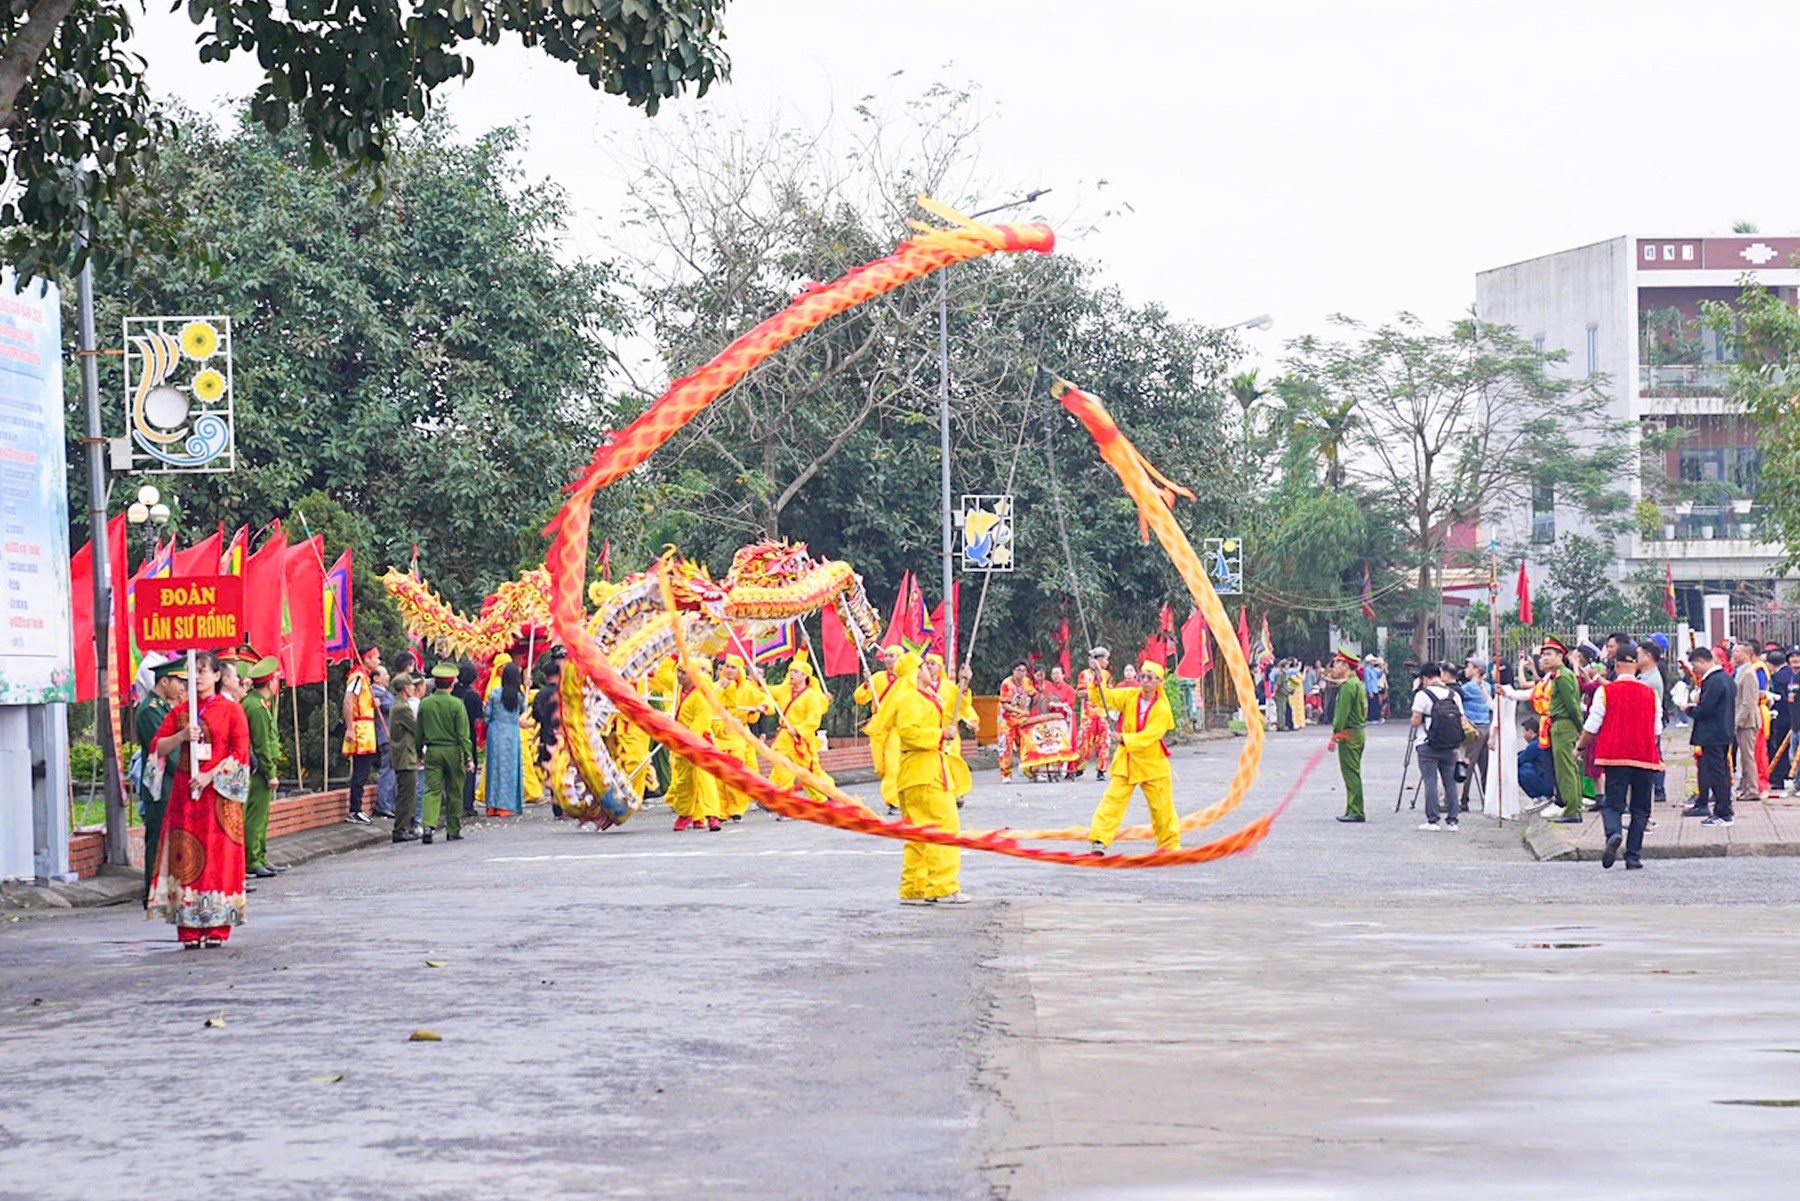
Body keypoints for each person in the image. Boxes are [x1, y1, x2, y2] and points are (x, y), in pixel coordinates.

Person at [148, 651, 252, 948]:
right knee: (186, 861)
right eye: (192, 671)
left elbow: (240, 753)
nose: (197, 676)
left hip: (218, 798)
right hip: (185, 798)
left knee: (219, 859)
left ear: (217, 676)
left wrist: (210, 776)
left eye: (203, 670)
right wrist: (181, 736)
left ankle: (218, 925)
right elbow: (157, 748)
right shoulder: (180, 712)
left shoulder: (232, 711)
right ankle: (189, 927)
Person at [890, 652, 970, 905]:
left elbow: (947, 717)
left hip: (918, 772)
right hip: (924, 771)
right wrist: (940, 734)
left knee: (918, 833)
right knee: (943, 827)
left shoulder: (923, 698)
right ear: (916, 672)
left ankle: (914, 888)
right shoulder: (911, 699)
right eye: (924, 666)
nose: (929, 669)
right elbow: (911, 733)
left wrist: (964, 685)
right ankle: (943, 887)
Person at [1579, 638, 1660, 870]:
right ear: (1636, 664)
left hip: (1615, 756)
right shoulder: (1650, 694)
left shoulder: (1606, 692)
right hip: (1645, 756)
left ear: (1614, 663)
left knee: (1613, 804)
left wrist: (1580, 748)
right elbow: (1656, 731)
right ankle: (1633, 856)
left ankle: (1613, 833)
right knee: (1641, 808)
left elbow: (1592, 726)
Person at [1086, 661, 1180, 854]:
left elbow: (1149, 736)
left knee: (1162, 807)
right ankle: (1099, 839)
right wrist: (1097, 676)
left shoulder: (1162, 709)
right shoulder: (1130, 696)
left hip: (1152, 762)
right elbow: (1104, 697)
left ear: (1159, 682)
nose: (1145, 681)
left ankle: (1168, 844)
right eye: (1142, 677)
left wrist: (1123, 737)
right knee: (1113, 799)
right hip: (1127, 760)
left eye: (1150, 678)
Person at [134, 657, 186, 905]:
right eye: (178, 681)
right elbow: (164, 749)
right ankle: (152, 893)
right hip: (159, 785)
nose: (181, 687)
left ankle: (167, 890)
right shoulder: (150, 711)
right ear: (164, 681)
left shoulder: (164, 707)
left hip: (170, 784)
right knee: (157, 840)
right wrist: (187, 772)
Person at [667, 656, 724, 832]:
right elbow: (662, 674)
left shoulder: (702, 696)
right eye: (678, 671)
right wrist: (672, 655)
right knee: (684, 782)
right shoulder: (677, 690)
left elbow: (700, 722)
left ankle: (712, 816)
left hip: (698, 743)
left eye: (683, 672)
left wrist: (688, 739)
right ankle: (686, 814)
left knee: (705, 779)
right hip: (681, 743)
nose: (679, 676)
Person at [419, 662, 473, 843]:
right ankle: (453, 829)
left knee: (432, 790)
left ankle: (428, 825)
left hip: (433, 751)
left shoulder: (425, 704)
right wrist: (469, 757)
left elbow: (419, 731)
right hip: (453, 751)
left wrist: (418, 752)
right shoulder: (457, 704)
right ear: (452, 683)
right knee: (455, 791)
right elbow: (463, 735)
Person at [769, 650, 833, 800]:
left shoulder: (811, 696)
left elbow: (813, 720)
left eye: (795, 672)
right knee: (782, 770)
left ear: (805, 676)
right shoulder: (784, 690)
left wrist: (798, 730)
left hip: (802, 739)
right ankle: (784, 803)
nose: (791, 674)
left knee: (808, 772)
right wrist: (758, 681)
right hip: (785, 738)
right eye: (791, 671)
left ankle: (826, 793)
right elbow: (768, 690)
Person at [241, 656, 283, 879]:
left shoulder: (258, 703)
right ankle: (253, 859)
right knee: (256, 816)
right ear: (270, 684)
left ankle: (261, 856)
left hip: (261, 767)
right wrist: (270, 772)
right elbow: (261, 743)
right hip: (259, 770)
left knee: (263, 816)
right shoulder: (256, 706)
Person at [1410, 662, 1465, 831]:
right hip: (1449, 745)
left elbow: (1416, 720)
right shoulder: (1453, 694)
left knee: (1430, 780)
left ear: (1425, 678)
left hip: (1427, 744)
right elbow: (1461, 719)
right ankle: (1453, 821)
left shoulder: (1422, 695)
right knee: (1450, 781)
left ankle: (1433, 820)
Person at [715, 653, 771, 821]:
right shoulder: (716, 686)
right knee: (719, 774)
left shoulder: (747, 688)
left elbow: (766, 701)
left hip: (738, 734)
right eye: (728, 667)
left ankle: (737, 807)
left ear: (740, 670)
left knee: (735, 770)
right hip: (718, 732)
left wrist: (760, 707)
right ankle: (721, 810)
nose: (730, 670)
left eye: (733, 667)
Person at [1683, 646, 1734, 824]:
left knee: (1717, 774)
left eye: (1694, 665)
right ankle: (1724, 808)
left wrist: (1689, 708)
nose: (1694, 669)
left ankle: (1723, 812)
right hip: (1723, 732)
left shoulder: (1713, 681)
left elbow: (1706, 709)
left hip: (1713, 734)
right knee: (1722, 773)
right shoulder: (1725, 678)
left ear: (1702, 661)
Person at [1538, 637, 1585, 824]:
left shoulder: (1562, 676)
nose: (1545, 658)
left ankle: (1572, 809)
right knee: (1568, 768)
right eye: (1543, 655)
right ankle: (1573, 805)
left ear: (1560, 656)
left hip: (1563, 725)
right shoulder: (1559, 675)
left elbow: (1572, 705)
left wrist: (1581, 728)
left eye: (1549, 654)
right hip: (1561, 725)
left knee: (1565, 769)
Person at [854, 645, 904, 813]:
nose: (888, 659)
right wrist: (867, 683)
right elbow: (860, 698)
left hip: (897, 725)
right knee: (880, 767)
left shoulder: (907, 680)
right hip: (878, 724)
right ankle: (898, 792)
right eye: (887, 656)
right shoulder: (877, 677)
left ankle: (893, 802)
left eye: (892, 656)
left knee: (892, 765)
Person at [341, 644, 382, 823]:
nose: (378, 661)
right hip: (361, 729)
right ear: (366, 659)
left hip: (367, 727)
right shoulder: (357, 677)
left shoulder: (364, 677)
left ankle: (357, 808)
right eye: (376, 657)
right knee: (360, 770)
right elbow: (348, 702)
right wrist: (350, 728)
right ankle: (355, 809)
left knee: (363, 770)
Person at [1327, 649, 1367, 823]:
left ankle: (1356, 810)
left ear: (1345, 665)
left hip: (1349, 733)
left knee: (1351, 773)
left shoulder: (1348, 686)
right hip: (1357, 732)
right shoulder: (1356, 683)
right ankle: (1352, 808)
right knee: (1353, 772)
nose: (1335, 667)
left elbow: (1341, 715)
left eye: (1337, 663)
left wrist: (1335, 734)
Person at [483, 663, 526, 817]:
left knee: (494, 768)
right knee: (510, 768)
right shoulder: (518, 696)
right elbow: (523, 710)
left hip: (495, 732)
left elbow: (487, 715)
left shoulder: (494, 694)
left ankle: (492, 805)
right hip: (512, 733)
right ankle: (506, 806)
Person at [388, 673, 422, 843]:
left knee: (408, 792)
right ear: (404, 688)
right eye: (410, 686)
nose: (413, 688)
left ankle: (405, 827)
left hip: (404, 754)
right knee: (407, 794)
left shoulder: (400, 705)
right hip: (405, 755)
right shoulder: (402, 708)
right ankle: (401, 828)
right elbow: (417, 728)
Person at [531, 652, 566, 817]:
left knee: (552, 772)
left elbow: (536, 715)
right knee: (567, 771)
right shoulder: (566, 693)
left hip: (547, 738)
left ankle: (557, 806)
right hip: (565, 737)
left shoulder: (540, 694)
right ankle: (568, 805)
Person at [1636, 640, 1671, 803]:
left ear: (1648, 657)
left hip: (1647, 724)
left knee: (1654, 756)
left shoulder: (1651, 679)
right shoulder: (1646, 675)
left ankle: (1658, 789)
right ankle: (1657, 789)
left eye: (1639, 655)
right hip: (1647, 723)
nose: (1636, 658)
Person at [1074, 648, 1114, 781]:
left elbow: (1110, 691)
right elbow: (1080, 693)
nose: (1107, 662)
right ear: (1098, 660)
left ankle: (1101, 770)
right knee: (1085, 743)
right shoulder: (1084, 674)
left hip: (1103, 713)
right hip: (1088, 714)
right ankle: (1079, 767)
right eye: (1105, 659)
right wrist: (1094, 693)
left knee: (1104, 743)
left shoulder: (1106, 674)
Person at [1732, 642, 1764, 806]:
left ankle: (1752, 789)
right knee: (1743, 757)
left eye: (1737, 651)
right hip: (1743, 720)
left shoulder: (1749, 674)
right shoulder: (1740, 672)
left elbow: (1748, 703)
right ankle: (1745, 788)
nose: (1734, 654)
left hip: (1748, 721)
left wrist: (1736, 722)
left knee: (1747, 756)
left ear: (1747, 654)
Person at [1459, 659, 1493, 810]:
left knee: (1467, 765)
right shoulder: (1488, 686)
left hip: (1474, 729)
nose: (1466, 669)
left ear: (1477, 670)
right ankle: (1489, 800)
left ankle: (1463, 800)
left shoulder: (1468, 688)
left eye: (1469, 667)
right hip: (1486, 727)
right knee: (1485, 767)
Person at [452, 663, 482, 818]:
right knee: (469, 767)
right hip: (468, 733)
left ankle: (453, 803)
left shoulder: (452, 693)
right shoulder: (473, 696)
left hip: (450, 734)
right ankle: (467, 804)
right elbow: (478, 717)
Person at [997, 661, 1034, 783]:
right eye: (1018, 670)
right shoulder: (1006, 684)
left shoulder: (1027, 682)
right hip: (1006, 720)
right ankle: (1006, 774)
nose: (1021, 673)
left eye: (1023, 670)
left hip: (1021, 719)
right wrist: (1019, 711)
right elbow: (1005, 705)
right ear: (1013, 671)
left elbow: (1034, 695)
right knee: (1006, 746)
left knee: (1025, 743)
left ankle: (1028, 770)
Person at [1773, 647, 1800, 796]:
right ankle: (1796, 784)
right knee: (1793, 756)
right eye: (1792, 656)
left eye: (1798, 656)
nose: (1795, 659)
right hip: (1794, 723)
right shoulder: (1791, 676)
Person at [372, 662, 397, 818]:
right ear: (376, 678)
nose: (388, 677)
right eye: (385, 674)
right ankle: (384, 804)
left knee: (392, 771)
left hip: (392, 735)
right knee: (387, 771)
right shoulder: (377, 693)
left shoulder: (385, 693)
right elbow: (394, 708)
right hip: (386, 735)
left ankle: (390, 803)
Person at [1517, 717, 1557, 802]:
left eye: (1524, 732)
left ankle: (1537, 797)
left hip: (1547, 783)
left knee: (1519, 771)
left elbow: (1518, 761)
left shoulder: (1534, 746)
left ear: (1531, 732)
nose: (1523, 735)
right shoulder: (1542, 741)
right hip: (1552, 780)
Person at [1363, 656, 1387, 723]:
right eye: (1373, 661)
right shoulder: (1367, 670)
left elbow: (1378, 676)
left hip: (1375, 688)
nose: (1374, 662)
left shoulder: (1373, 669)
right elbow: (1367, 681)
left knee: (1376, 704)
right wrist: (1369, 691)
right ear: (1369, 661)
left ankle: (1376, 717)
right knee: (1372, 704)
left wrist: (1382, 669)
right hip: (1371, 689)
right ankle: (1371, 718)